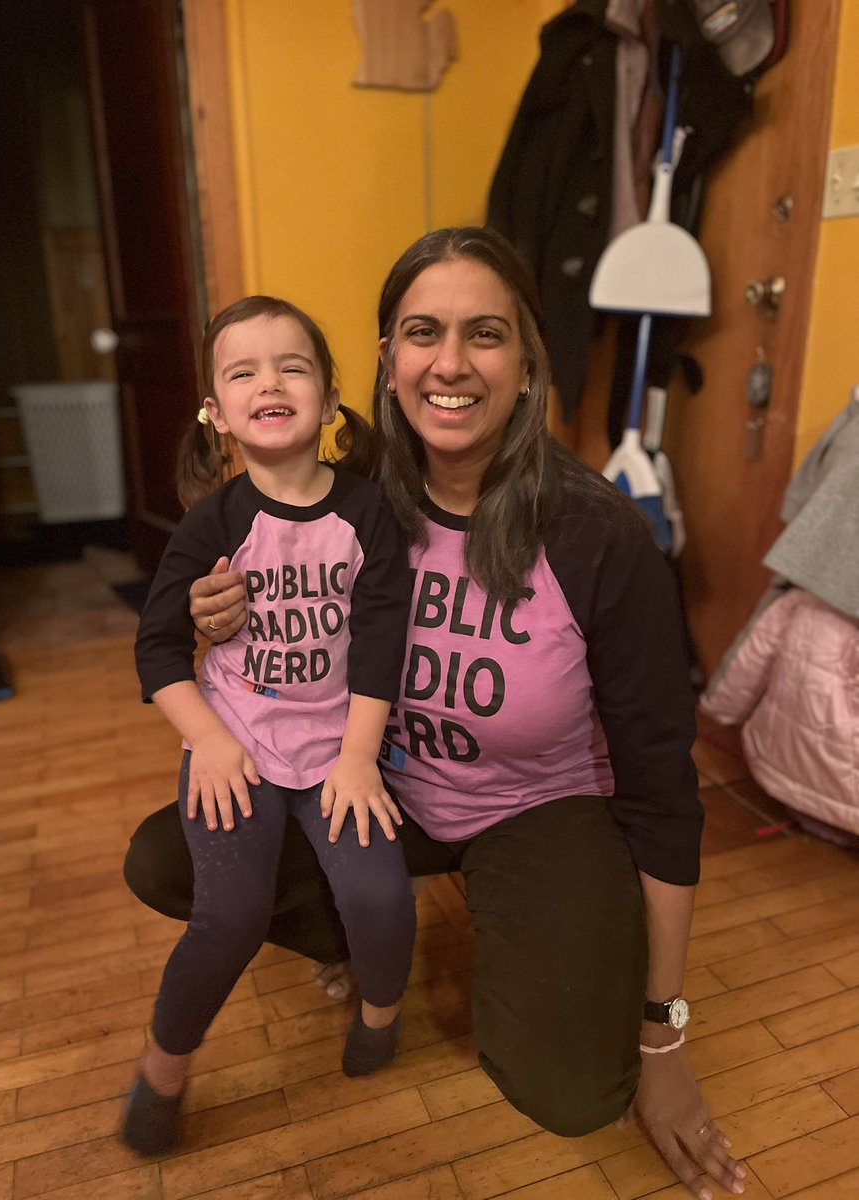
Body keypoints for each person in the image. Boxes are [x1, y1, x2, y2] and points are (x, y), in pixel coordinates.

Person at [124, 229, 746, 1199]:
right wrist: (220, 614)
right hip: (377, 783)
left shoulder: (598, 536)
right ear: (387, 359)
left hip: (537, 805)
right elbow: (258, 601)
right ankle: (355, 931)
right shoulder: (348, 497)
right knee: (171, 857)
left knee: (573, 1094)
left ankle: (490, 930)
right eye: (423, 332)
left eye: (484, 334)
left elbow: (665, 792)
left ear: (528, 361)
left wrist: (662, 1031)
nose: (450, 363)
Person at [122, 296, 416, 1156]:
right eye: (243, 372)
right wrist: (211, 740)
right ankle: (162, 1071)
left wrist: (358, 757)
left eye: (293, 367)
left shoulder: (367, 514)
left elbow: (381, 644)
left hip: (339, 750)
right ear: (217, 413)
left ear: (330, 399)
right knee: (230, 917)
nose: (270, 383)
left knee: (380, 896)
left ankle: (381, 1018)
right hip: (236, 749)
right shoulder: (212, 523)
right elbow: (156, 650)